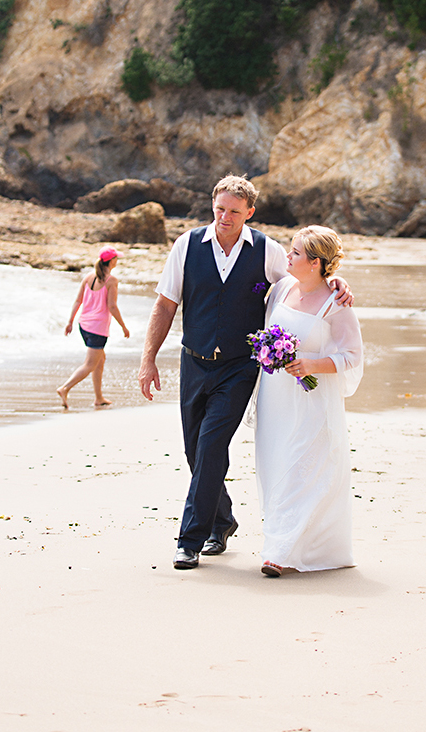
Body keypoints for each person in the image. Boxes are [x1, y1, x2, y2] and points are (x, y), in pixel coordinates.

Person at [137, 175, 352, 570]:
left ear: (249, 213)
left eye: (234, 211)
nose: (225, 217)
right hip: (194, 362)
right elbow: (165, 306)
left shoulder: (268, 252)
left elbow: (305, 283)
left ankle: (190, 540)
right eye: (219, 208)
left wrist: (336, 281)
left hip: (238, 368)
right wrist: (148, 358)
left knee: (211, 446)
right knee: (194, 450)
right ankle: (222, 520)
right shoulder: (186, 246)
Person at [254, 226, 363, 577]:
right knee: (275, 462)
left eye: (296, 252)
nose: (288, 256)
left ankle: (280, 552)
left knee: (304, 467)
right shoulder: (283, 287)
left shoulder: (336, 303)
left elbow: (352, 355)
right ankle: (284, 542)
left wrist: (311, 364)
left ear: (315, 263)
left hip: (312, 399)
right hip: (276, 398)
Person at [58, 248, 130, 408]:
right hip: (97, 329)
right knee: (90, 364)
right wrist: (124, 326)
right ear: (111, 261)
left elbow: (78, 301)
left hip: (84, 325)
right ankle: (65, 388)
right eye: (116, 259)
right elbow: (112, 306)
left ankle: (99, 398)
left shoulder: (88, 278)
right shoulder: (111, 281)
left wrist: (70, 322)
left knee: (100, 359)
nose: (117, 261)